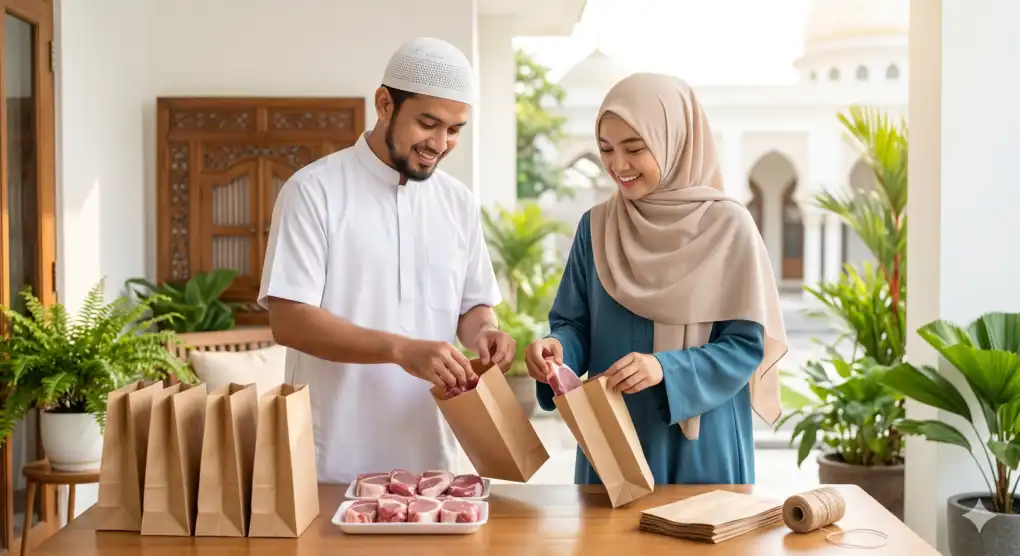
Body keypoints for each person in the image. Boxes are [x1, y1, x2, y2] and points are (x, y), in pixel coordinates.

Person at [257, 37, 515, 484]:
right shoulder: (313, 191)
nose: (440, 142)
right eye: (428, 123)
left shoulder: (458, 203)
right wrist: (400, 350)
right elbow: (289, 320)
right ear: (384, 104)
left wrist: (487, 334)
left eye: (454, 130)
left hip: (434, 467)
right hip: (331, 466)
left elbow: (472, 306)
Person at [524, 73, 788, 485]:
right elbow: (574, 325)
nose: (618, 166)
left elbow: (743, 347)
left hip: (703, 442)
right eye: (606, 150)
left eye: (634, 148)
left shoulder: (728, 226)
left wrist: (665, 369)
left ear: (675, 142)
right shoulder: (596, 227)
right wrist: (557, 349)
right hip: (613, 439)